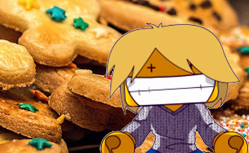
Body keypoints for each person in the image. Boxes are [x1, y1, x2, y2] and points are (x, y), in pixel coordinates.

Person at [100, 23, 246, 153]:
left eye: (187, 74)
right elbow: (138, 128)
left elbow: (208, 129)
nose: (170, 83)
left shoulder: (196, 109)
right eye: (152, 73)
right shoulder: (151, 110)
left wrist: (222, 140)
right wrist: (125, 140)